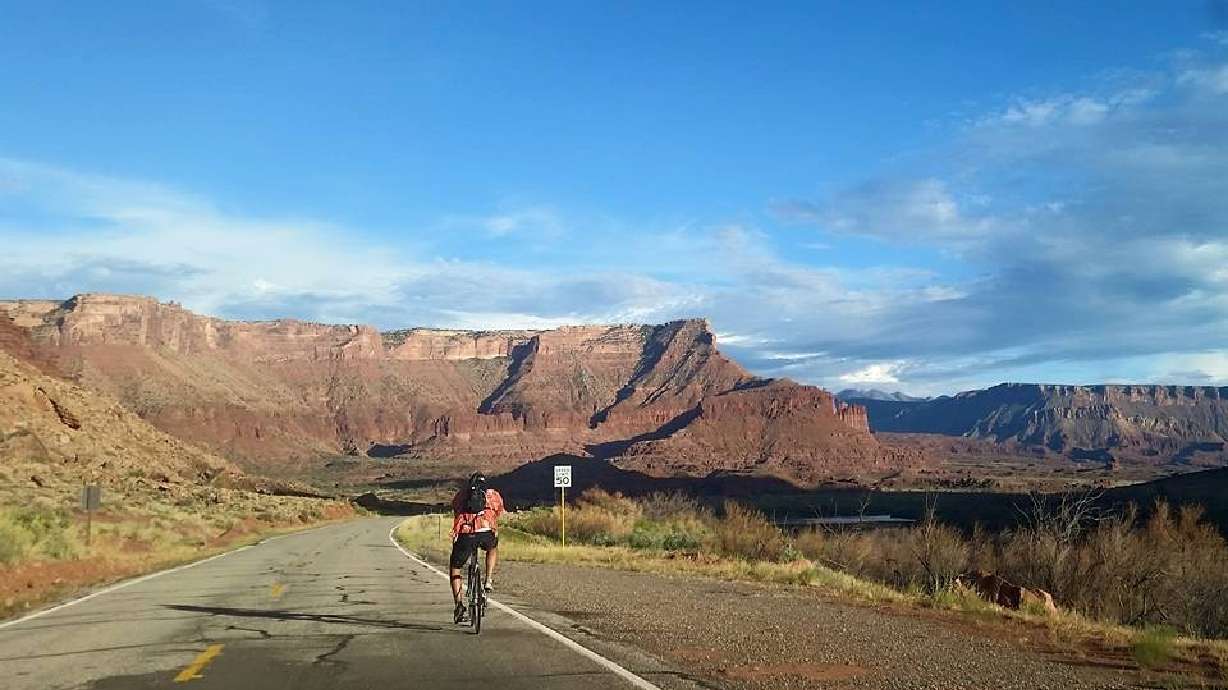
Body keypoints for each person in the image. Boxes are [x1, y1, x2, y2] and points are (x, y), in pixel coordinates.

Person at [449, 471, 504, 623]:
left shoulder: (462, 494)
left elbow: (455, 509)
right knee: (492, 548)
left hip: (466, 534)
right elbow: (499, 511)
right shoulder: (492, 494)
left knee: (455, 566)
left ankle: (459, 605)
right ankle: (488, 580)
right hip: (486, 532)